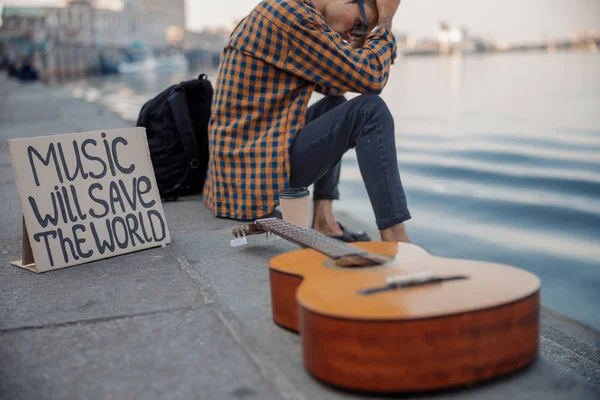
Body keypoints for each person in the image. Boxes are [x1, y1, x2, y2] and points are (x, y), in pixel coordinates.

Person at [204, 0, 411, 243]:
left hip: (244, 168)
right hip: (251, 181)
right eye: (357, 26)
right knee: (371, 112)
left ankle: (324, 220)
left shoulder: (291, 11)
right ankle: (396, 239)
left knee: (336, 102)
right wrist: (385, 23)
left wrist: (363, 35)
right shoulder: (295, 18)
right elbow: (371, 78)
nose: (351, 37)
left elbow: (338, 83)